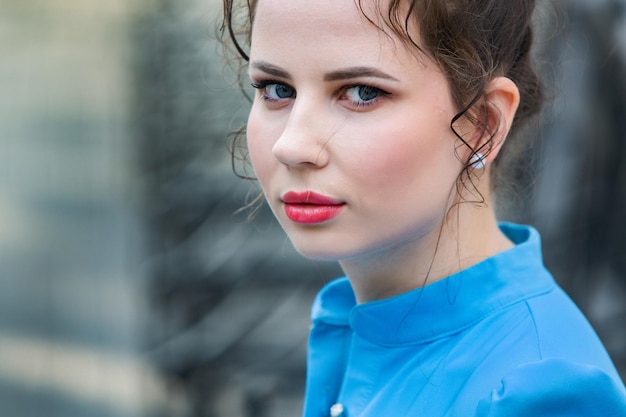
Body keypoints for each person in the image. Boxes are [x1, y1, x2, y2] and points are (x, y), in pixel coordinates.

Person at [220, 0, 626, 415]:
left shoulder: (538, 394)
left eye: (363, 93)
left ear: (483, 125)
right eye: (276, 89)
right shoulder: (357, 321)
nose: (291, 146)